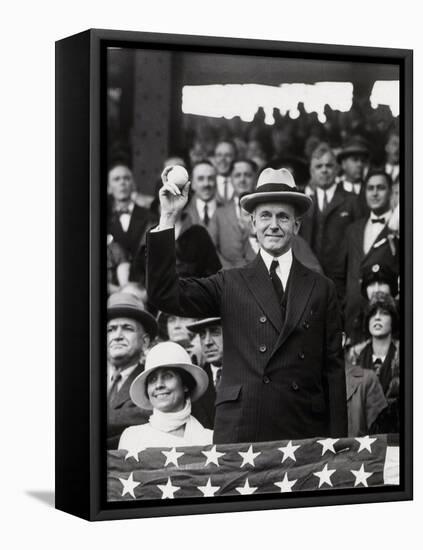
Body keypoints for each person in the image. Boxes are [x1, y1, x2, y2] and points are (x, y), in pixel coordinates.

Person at [146, 166, 348, 444]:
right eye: (265, 215)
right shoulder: (230, 282)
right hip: (244, 431)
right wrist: (168, 215)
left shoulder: (322, 288)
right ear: (252, 222)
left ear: (297, 225)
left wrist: (338, 445)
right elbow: (164, 294)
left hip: (304, 432)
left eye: (283, 217)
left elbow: (334, 373)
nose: (273, 225)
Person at [118, 342, 213, 450]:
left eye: (168, 376)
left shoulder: (209, 439)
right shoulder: (132, 438)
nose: (159, 385)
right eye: (152, 379)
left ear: (185, 384)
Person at [300, 143, 360, 301]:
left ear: (337, 169)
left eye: (328, 165)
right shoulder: (304, 204)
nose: (324, 170)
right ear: (312, 171)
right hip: (309, 281)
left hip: (342, 282)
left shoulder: (352, 201)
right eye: (319, 166)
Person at [344, 171, 399, 340]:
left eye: (381, 188)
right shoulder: (353, 229)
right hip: (352, 320)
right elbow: (341, 273)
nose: (375, 193)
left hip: (385, 319)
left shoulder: (400, 230)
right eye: (370, 188)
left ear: (391, 192)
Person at [107, 291, 158, 449]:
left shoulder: (153, 380)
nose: (117, 336)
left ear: (145, 341)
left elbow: (152, 414)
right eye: (111, 329)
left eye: (127, 328)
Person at [107, 162, 157, 278]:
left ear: (133, 185)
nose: (122, 183)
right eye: (116, 179)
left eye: (126, 178)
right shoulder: (104, 219)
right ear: (109, 188)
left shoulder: (150, 217)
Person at [208, 159, 258, 268]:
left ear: (255, 179)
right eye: (237, 175)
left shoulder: (265, 211)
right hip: (229, 276)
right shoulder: (219, 214)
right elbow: (210, 248)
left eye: (247, 175)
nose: (242, 180)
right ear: (231, 179)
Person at [186, 317, 224, 429]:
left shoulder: (249, 376)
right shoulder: (193, 382)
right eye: (202, 335)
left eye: (215, 332)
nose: (207, 342)